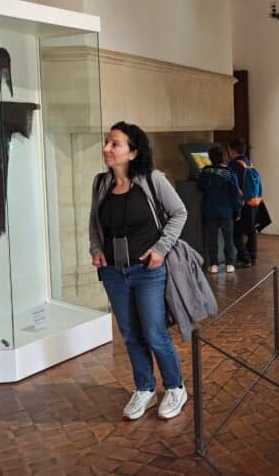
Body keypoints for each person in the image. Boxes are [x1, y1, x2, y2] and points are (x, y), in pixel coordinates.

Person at [89, 121, 189, 421]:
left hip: (147, 271)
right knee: (130, 333)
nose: (107, 148)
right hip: (114, 273)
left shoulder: (152, 180)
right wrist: (96, 249)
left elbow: (179, 213)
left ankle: (175, 387)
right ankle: (144, 388)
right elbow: (94, 224)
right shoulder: (100, 183)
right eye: (107, 142)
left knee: (155, 333)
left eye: (115, 144)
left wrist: (160, 249)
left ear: (132, 152)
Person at [197, 145, 242, 274]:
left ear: (210, 158)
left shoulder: (206, 171)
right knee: (228, 238)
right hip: (226, 212)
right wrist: (237, 211)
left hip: (210, 211)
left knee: (212, 239)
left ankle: (214, 264)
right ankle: (229, 264)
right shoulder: (229, 172)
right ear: (223, 157)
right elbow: (235, 194)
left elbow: (200, 186)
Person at [229, 138, 259, 267]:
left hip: (241, 203)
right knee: (251, 231)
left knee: (237, 234)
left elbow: (232, 185)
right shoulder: (249, 163)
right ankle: (252, 257)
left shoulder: (234, 165)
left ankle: (244, 258)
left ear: (232, 150)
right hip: (252, 201)